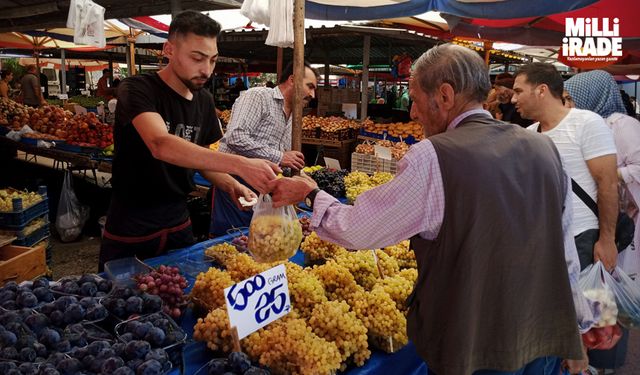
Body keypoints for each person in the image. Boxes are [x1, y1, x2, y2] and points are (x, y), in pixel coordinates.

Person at [269, 44, 596, 375]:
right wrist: (576, 331)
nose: (412, 112)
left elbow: (360, 228)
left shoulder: (434, 156)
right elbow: (565, 251)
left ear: (444, 95)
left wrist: (312, 194)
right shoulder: (545, 149)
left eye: (414, 98)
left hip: (475, 348)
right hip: (543, 341)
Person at [99, 10, 279, 270]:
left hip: (178, 219)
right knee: (122, 301)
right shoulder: (137, 88)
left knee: (181, 295)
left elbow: (201, 158)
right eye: (197, 58)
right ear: (169, 50)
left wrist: (230, 184)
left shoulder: (204, 100)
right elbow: (160, 144)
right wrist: (240, 164)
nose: (206, 70)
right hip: (132, 221)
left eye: (213, 60)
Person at [564, 70, 640, 374]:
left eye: (571, 98)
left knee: (607, 291)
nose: (568, 104)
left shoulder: (622, 126)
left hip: (618, 227)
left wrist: (609, 175)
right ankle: (589, 357)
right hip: (592, 222)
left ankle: (606, 359)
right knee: (592, 292)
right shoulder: (581, 125)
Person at [512, 63, 619, 273]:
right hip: (544, 241)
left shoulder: (587, 123)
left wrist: (607, 240)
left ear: (541, 90)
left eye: (518, 91)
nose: (514, 99)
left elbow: (608, 184)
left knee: (586, 304)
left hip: (582, 237)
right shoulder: (530, 133)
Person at [210, 61, 318, 236]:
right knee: (231, 240)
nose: (313, 94)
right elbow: (235, 137)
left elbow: (284, 158)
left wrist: (304, 179)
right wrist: (279, 157)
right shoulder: (259, 96)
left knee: (260, 242)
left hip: (264, 186)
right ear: (293, 80)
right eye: (310, 87)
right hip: (235, 181)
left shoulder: (294, 116)